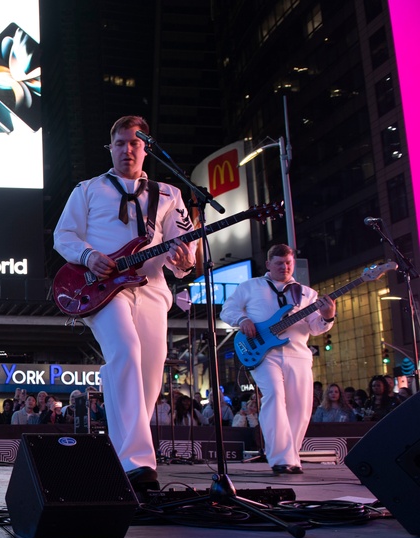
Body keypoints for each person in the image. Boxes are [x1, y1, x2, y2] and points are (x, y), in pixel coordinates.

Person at [53, 115, 196, 491]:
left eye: (134, 142)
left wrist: (185, 261)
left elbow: (184, 246)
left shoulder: (169, 195)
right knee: (127, 351)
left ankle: (121, 454)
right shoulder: (88, 189)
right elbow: (63, 234)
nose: (127, 149)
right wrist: (87, 256)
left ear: (146, 147)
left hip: (149, 287)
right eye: (120, 143)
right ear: (111, 147)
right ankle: (138, 463)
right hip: (102, 289)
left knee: (149, 371)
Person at [220, 244, 334, 474]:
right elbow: (227, 309)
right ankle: (281, 458)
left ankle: (291, 456)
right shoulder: (250, 286)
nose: (285, 267)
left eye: (289, 263)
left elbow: (315, 327)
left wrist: (328, 316)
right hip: (264, 353)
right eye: (280, 263)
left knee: (301, 407)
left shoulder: (307, 293)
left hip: (299, 354)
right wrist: (242, 319)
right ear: (269, 264)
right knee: (274, 396)